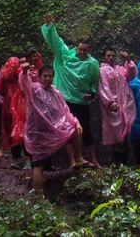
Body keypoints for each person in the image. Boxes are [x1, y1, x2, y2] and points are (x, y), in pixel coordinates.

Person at [41, 15, 99, 166]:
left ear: (89, 50)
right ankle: (73, 160)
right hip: (65, 100)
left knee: (85, 130)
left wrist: (92, 93)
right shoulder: (65, 57)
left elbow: (94, 83)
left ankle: (93, 159)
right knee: (68, 129)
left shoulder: (93, 64)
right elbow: (56, 42)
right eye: (80, 49)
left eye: (85, 50)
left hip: (82, 101)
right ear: (76, 48)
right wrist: (49, 25)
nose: (81, 52)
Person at [20, 63, 85, 195]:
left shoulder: (56, 93)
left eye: (50, 76)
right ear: (40, 77)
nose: (48, 78)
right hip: (38, 133)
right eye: (45, 76)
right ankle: (39, 196)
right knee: (39, 165)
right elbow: (24, 82)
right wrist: (25, 71)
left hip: (55, 129)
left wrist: (76, 122)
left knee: (76, 130)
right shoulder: (34, 89)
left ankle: (78, 159)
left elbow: (65, 111)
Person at [98, 48, 137, 165]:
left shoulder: (120, 69)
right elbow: (103, 87)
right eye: (108, 55)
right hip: (113, 108)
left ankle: (124, 167)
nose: (111, 58)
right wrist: (110, 102)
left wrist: (128, 60)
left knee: (125, 137)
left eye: (113, 56)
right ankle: (117, 166)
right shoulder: (102, 71)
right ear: (104, 57)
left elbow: (131, 75)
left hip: (124, 106)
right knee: (116, 137)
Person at [0, 56, 29, 168]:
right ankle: (27, 159)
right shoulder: (21, 71)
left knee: (12, 130)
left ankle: (17, 159)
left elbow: (0, 90)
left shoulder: (5, 74)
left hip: (9, 105)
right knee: (23, 129)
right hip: (20, 103)